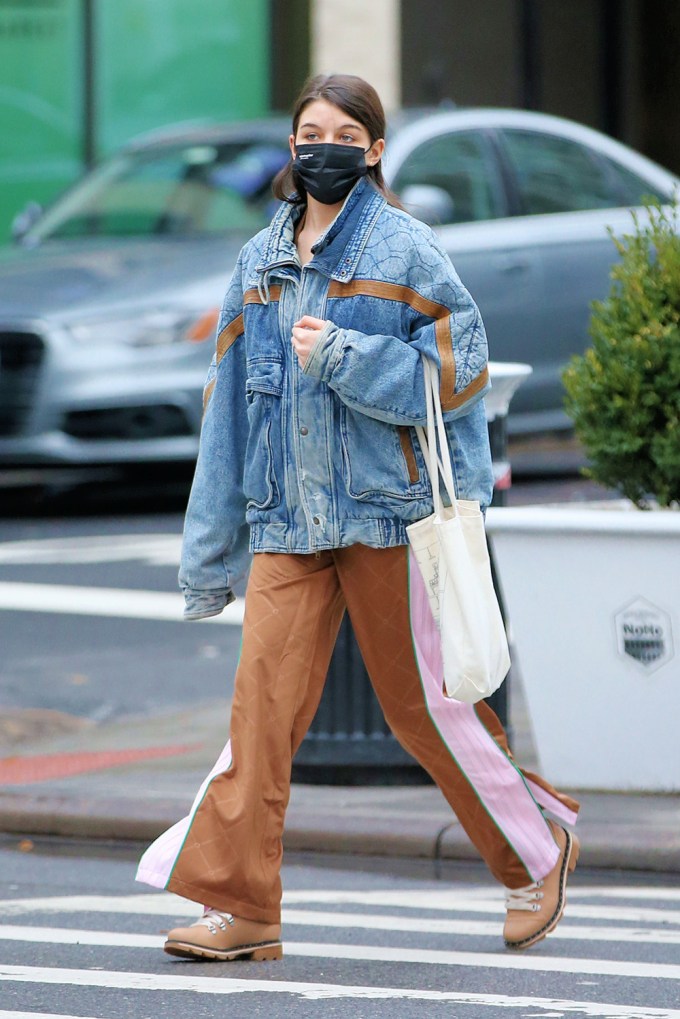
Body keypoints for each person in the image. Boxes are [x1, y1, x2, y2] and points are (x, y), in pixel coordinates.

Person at [136, 73, 580, 961]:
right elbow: (225, 410)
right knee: (260, 713)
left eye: (345, 133)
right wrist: (209, 550)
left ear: (374, 151)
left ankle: (538, 847)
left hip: (390, 515)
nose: (324, 146)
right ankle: (245, 905)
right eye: (310, 131)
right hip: (287, 521)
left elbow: (462, 370)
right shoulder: (259, 264)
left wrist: (346, 355)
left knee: (423, 709)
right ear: (291, 147)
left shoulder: (407, 249)